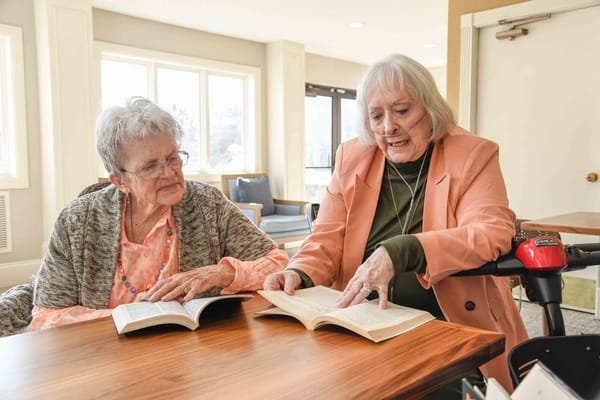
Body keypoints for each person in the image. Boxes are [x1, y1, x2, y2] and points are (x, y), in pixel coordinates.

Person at [263, 54, 528, 395]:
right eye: (377, 116)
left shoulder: (472, 154)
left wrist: (405, 248)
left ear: (430, 109)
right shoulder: (352, 157)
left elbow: (492, 233)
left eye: (402, 111)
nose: (388, 127)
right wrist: (298, 271)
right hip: (366, 324)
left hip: (448, 327)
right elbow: (326, 238)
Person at [24, 96, 288, 332]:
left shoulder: (207, 203)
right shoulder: (77, 221)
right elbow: (48, 316)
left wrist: (223, 273)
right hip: (104, 360)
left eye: (173, 157)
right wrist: (130, 316)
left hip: (193, 356)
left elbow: (279, 264)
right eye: (151, 166)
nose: (170, 172)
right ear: (119, 181)